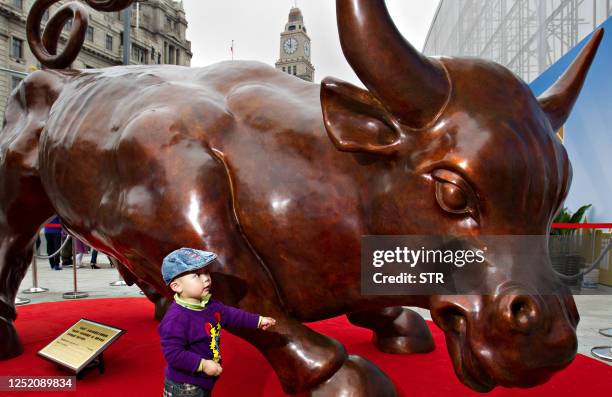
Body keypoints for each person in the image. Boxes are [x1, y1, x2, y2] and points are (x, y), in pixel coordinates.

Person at [159, 248, 276, 397]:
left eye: (206, 272)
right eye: (197, 275)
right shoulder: (175, 319)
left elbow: (232, 314)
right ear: (177, 286)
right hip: (185, 386)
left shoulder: (210, 305)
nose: (206, 278)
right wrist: (203, 365)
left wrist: (258, 320)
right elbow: (174, 354)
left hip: (204, 380)